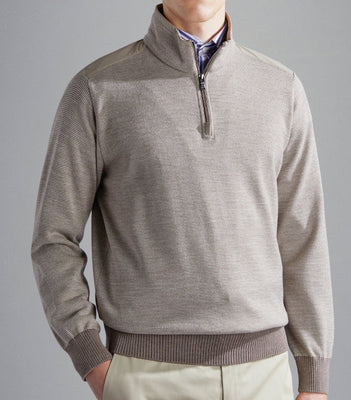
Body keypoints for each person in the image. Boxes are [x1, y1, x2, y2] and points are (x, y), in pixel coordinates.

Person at [30, 1, 334, 399]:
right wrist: (92, 358)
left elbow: (303, 238)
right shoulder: (97, 88)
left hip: (264, 375)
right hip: (144, 375)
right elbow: (54, 236)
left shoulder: (281, 88)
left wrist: (314, 376)